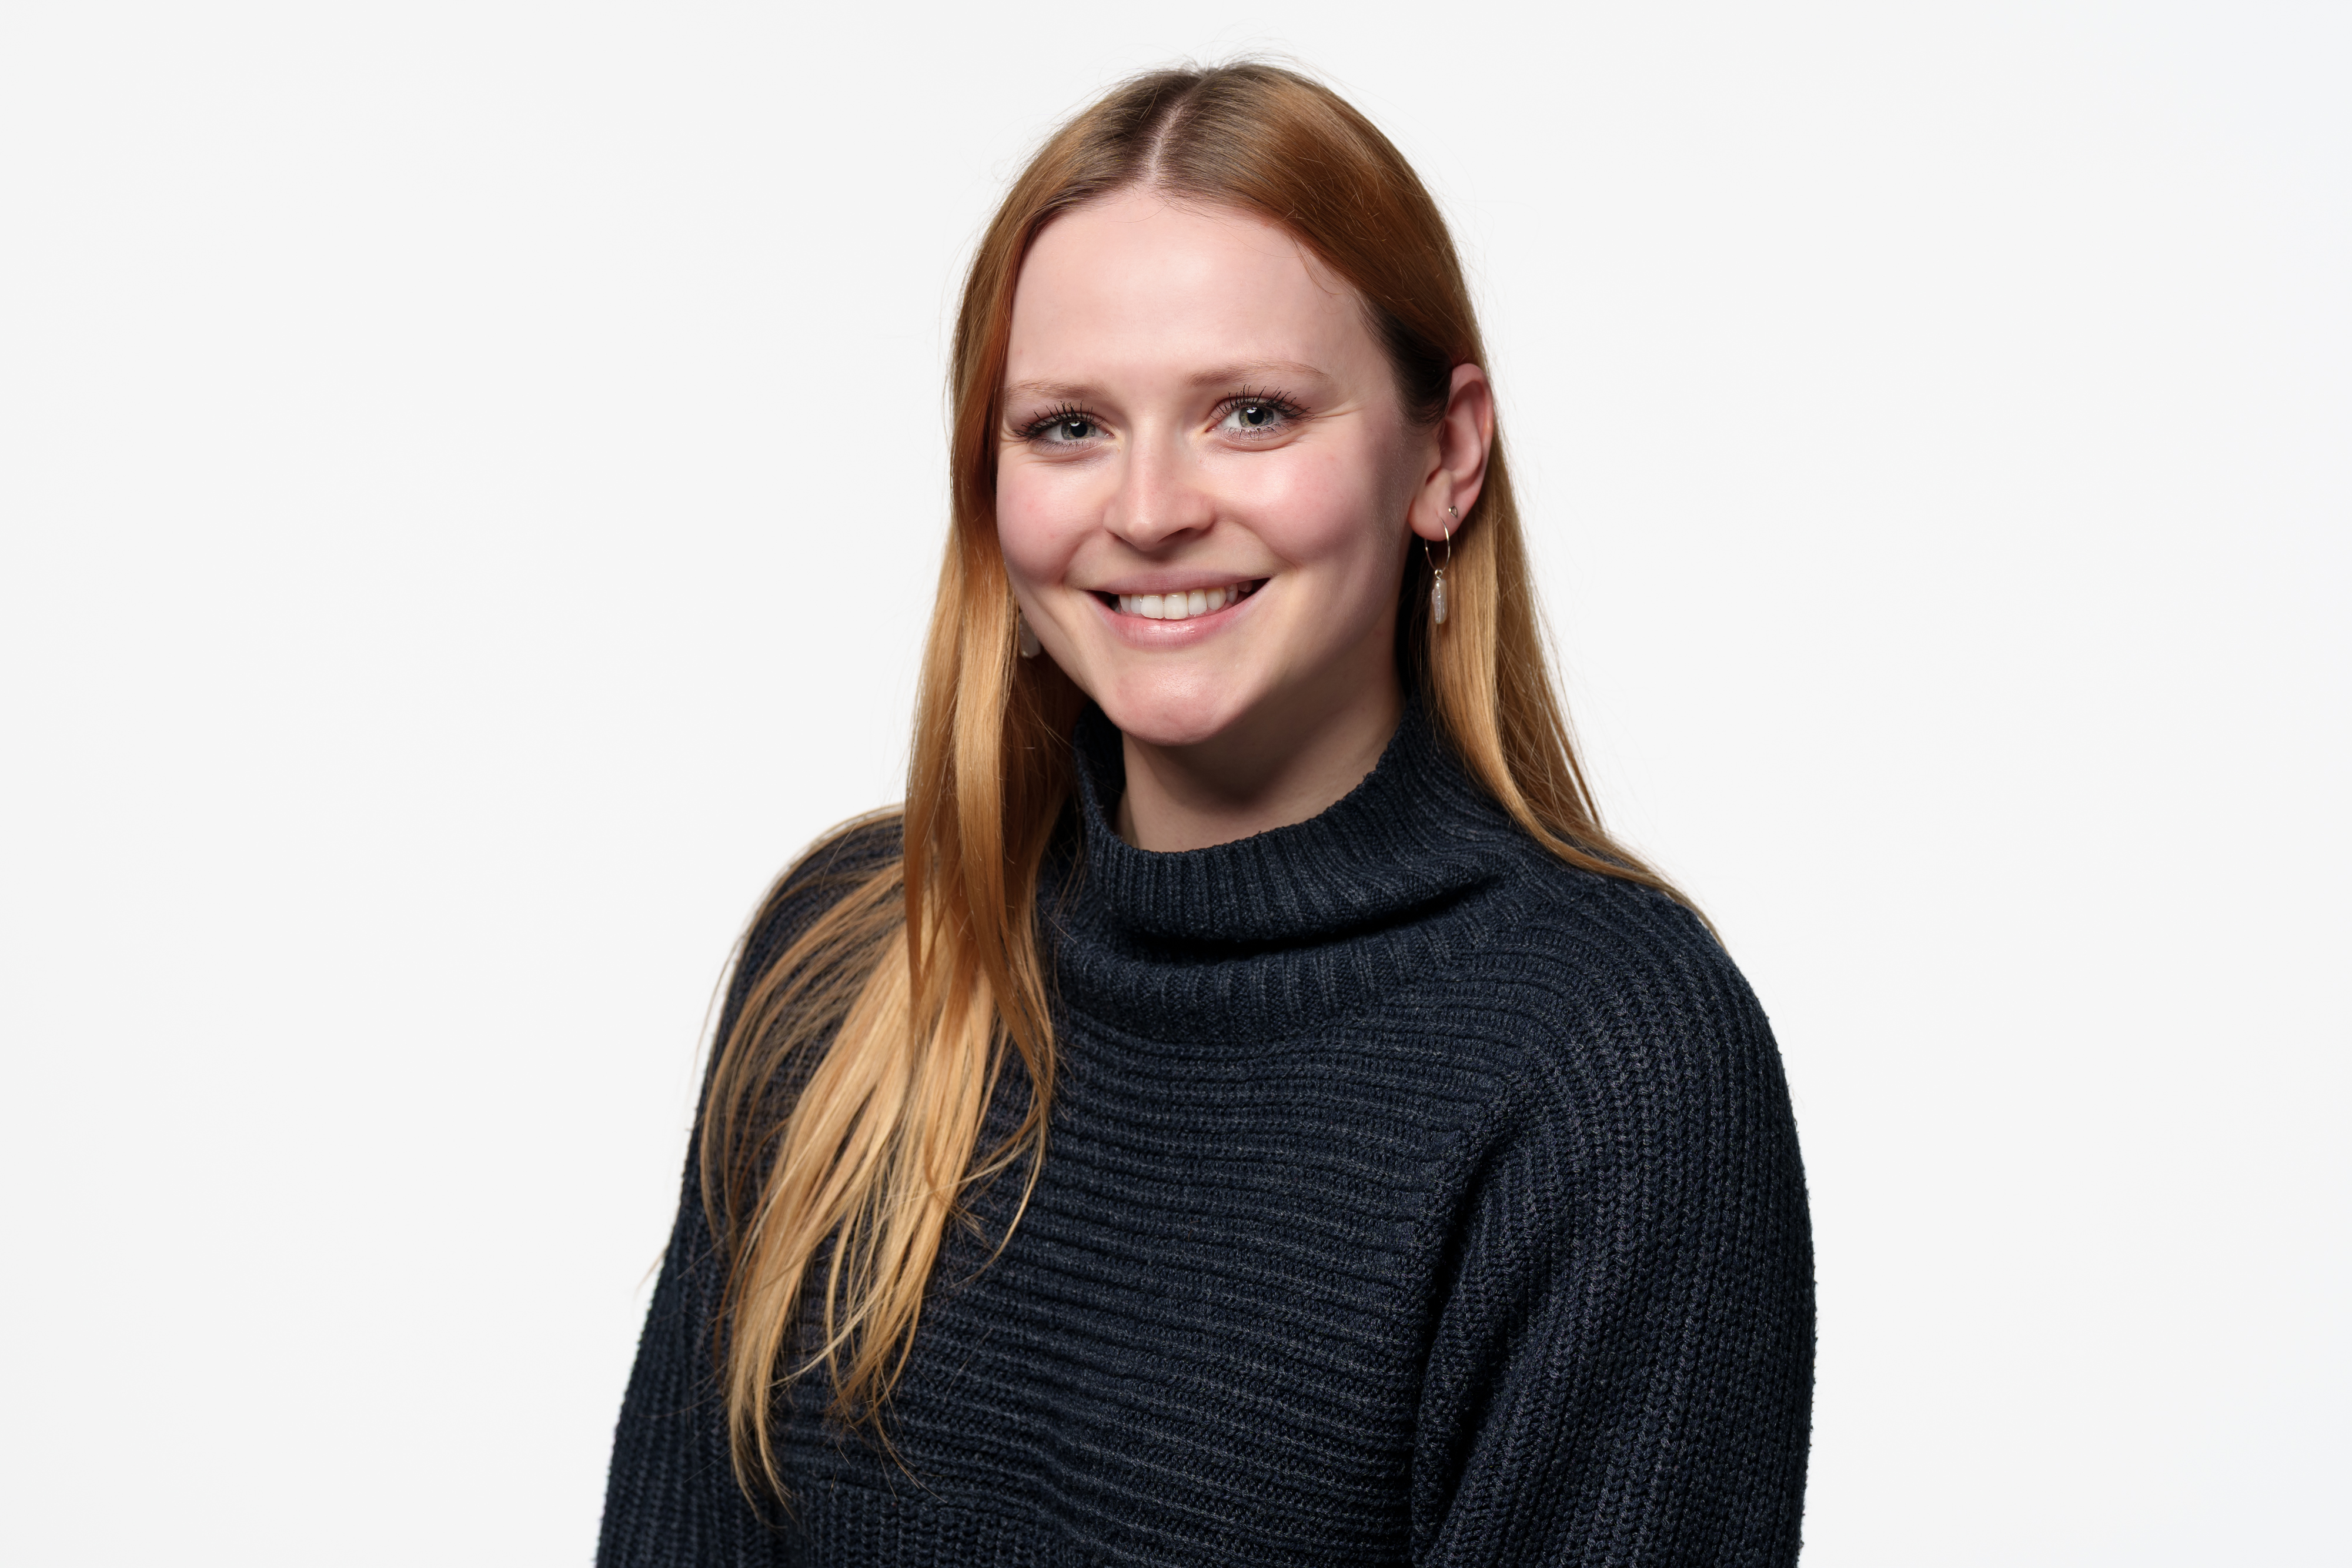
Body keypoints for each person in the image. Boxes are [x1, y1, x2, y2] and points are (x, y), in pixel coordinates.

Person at [598, 62, 1813, 1567]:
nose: (1151, 505)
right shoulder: (854, 954)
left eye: (1250, 412)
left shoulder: (1608, 1061)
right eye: (1065, 427)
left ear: (1444, 454)